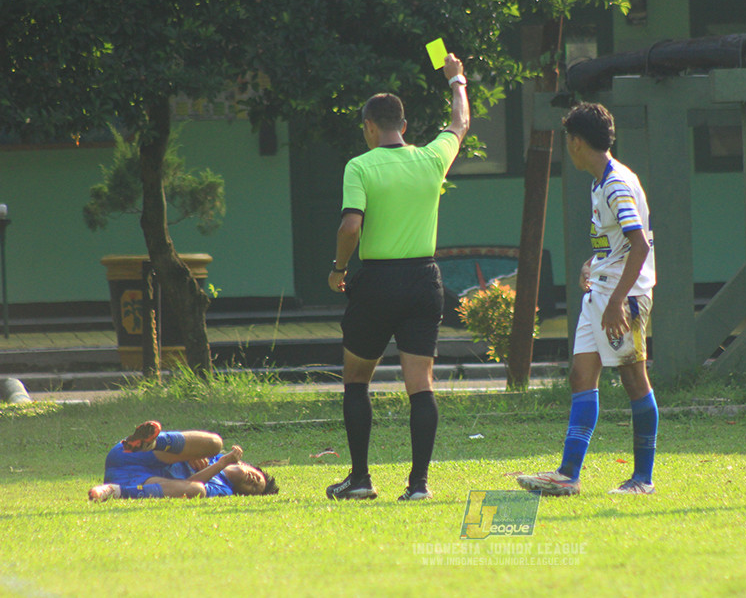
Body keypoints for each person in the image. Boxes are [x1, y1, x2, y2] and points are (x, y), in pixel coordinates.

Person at [325, 53, 470, 502]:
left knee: (356, 379)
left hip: (378, 282)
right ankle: (419, 486)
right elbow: (460, 124)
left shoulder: (360, 166)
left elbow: (351, 226)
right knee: (420, 385)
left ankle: (361, 479)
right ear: (403, 126)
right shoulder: (431, 159)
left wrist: (339, 269)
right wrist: (456, 79)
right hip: (424, 280)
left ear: (370, 125)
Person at [516, 102, 658, 496]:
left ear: (577, 142)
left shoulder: (614, 184)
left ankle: (642, 480)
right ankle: (568, 475)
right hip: (600, 292)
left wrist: (617, 301)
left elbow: (640, 245)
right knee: (581, 376)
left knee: (634, 380)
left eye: (567, 140)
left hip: (620, 299)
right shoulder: (601, 182)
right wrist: (591, 264)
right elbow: (616, 244)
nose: (567, 147)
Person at [88, 420, 278, 501]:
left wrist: (220, 465)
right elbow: (192, 443)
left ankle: (114, 492)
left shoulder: (224, 490)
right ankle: (150, 443)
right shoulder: (214, 455)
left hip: (135, 482)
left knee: (196, 489)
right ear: (247, 465)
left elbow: (188, 486)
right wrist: (193, 454)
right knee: (215, 442)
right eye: (257, 478)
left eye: (253, 489)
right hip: (130, 454)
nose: (253, 482)